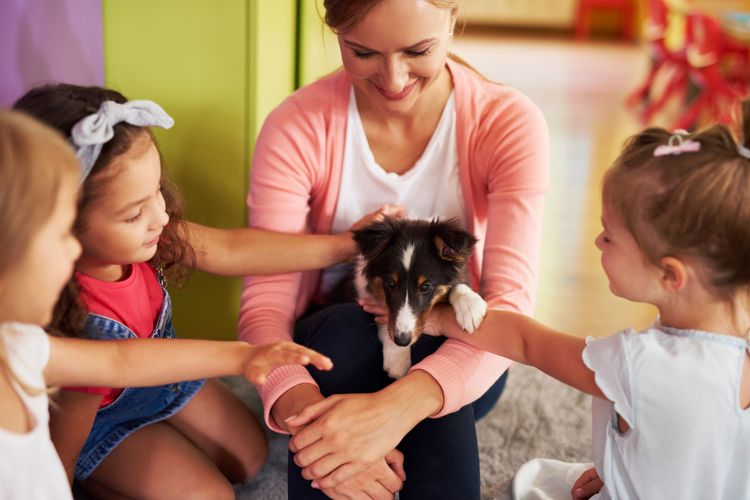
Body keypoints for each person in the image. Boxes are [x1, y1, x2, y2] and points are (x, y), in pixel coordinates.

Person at [11, 83, 387, 499]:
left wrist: (343, 245)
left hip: (165, 379)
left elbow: (233, 248)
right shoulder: (71, 314)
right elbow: (76, 426)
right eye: (134, 213)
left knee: (252, 457)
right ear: (64, 222)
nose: (161, 214)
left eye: (156, 190)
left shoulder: (151, 236)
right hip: (104, 421)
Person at [239, 0, 549, 497]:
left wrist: (399, 406)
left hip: (461, 350)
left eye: (418, 50)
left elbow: (509, 306)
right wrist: (304, 416)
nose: (394, 79)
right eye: (362, 52)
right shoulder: (297, 126)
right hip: (333, 347)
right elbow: (264, 307)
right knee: (345, 330)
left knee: (431, 333)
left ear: (453, 16)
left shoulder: (506, 123)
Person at [424, 104, 750, 499]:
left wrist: (441, 318)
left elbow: (526, 342)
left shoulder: (638, 364)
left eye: (608, 235)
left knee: (531, 484)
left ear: (670, 274)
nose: (597, 242)